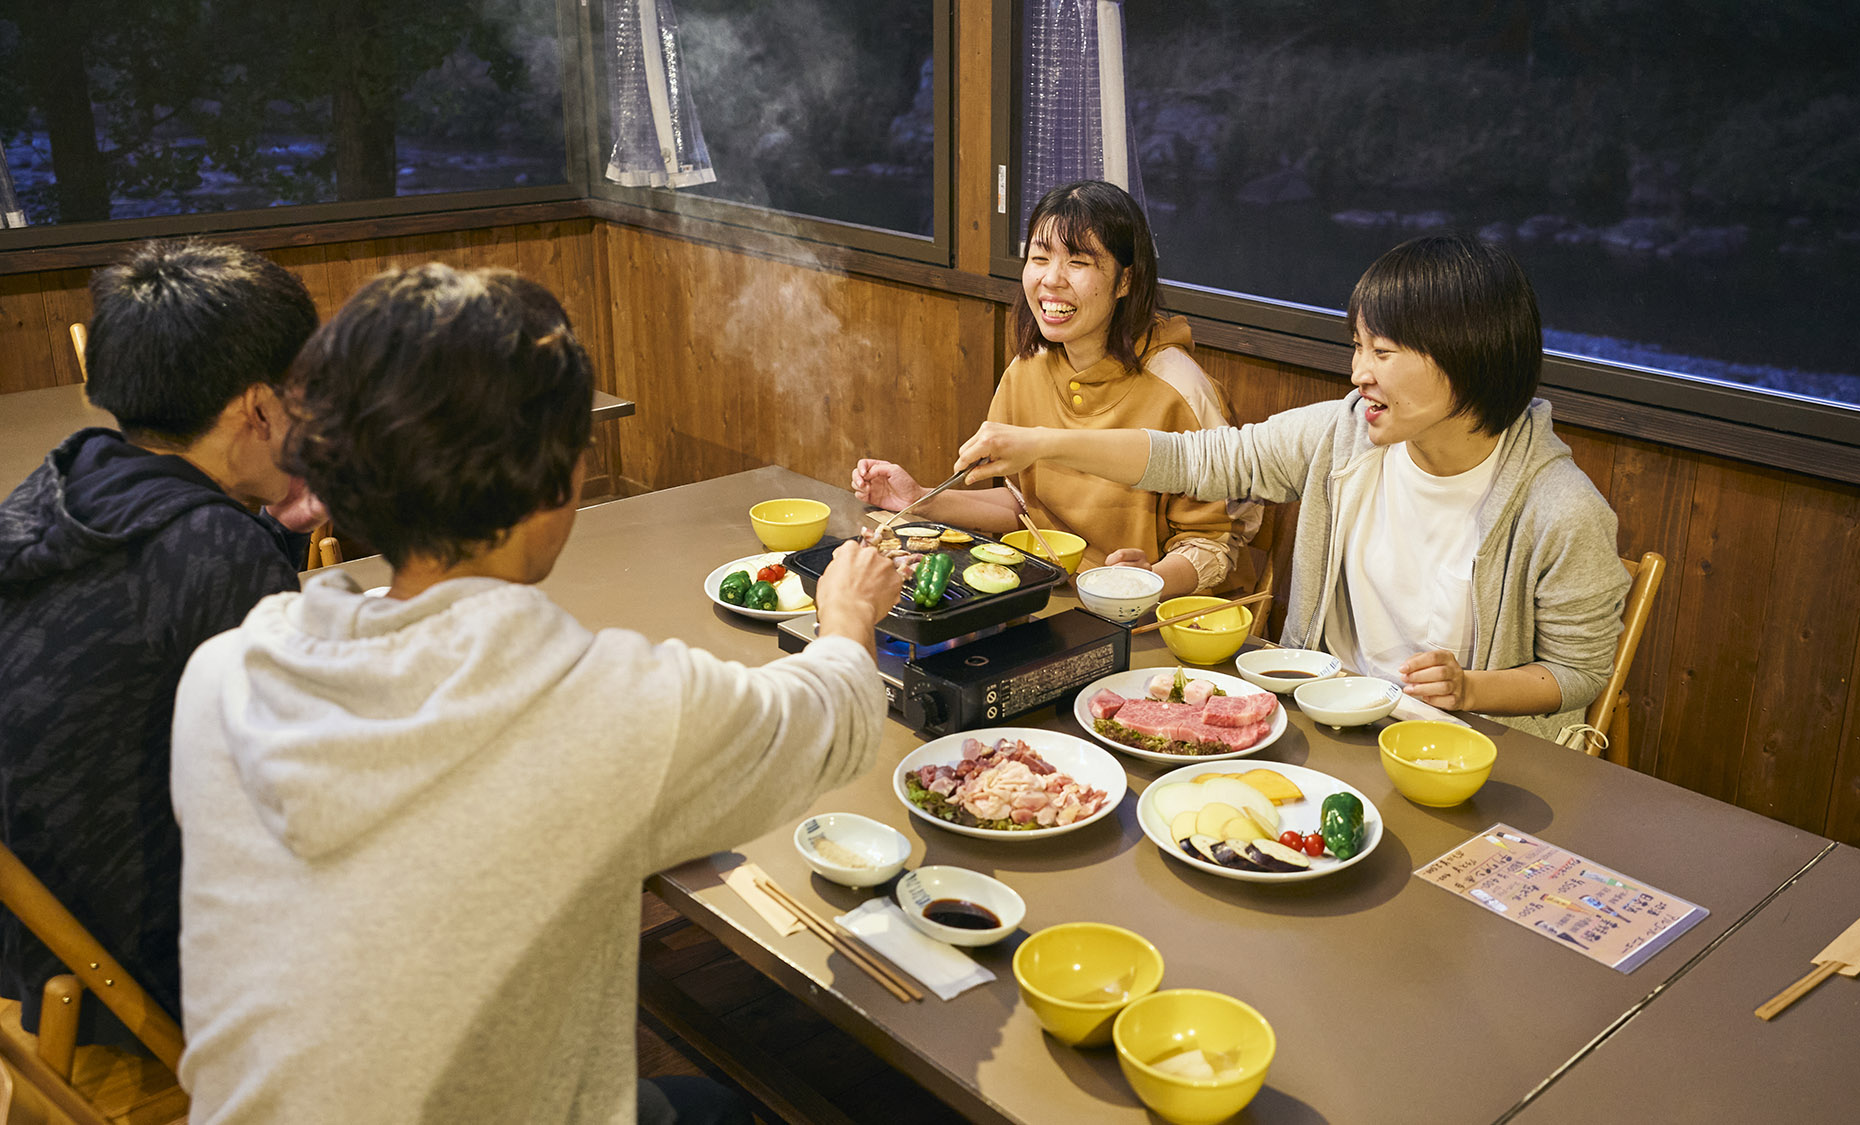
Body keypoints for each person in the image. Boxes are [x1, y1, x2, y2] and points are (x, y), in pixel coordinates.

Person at [170, 264, 904, 1124]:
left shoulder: (221, 674)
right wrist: (847, 616)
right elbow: (827, 724)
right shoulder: (599, 707)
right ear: (557, 481)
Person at [955, 234, 1627, 742]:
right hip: (1327, 723)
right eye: (1357, 345)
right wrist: (1037, 442)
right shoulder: (1345, 435)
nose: (1359, 371)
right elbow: (1201, 459)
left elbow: (1578, 674)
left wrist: (1469, 686)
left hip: (1460, 754)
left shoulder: (1560, 509)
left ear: (1469, 357)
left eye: (1383, 352)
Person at [0, 238, 321, 1047]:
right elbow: (306, 788)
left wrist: (266, 528)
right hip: (135, 976)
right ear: (258, 410)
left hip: (31, 952)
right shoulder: (211, 552)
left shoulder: (64, 485)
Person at [853, 180, 1260, 598]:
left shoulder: (1180, 389)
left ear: (1125, 281)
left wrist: (1149, 579)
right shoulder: (1028, 368)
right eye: (1039, 257)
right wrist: (921, 500)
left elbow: (1215, 542)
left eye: (1079, 262)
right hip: (1055, 597)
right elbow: (1027, 509)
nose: (1051, 279)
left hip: (1157, 619)